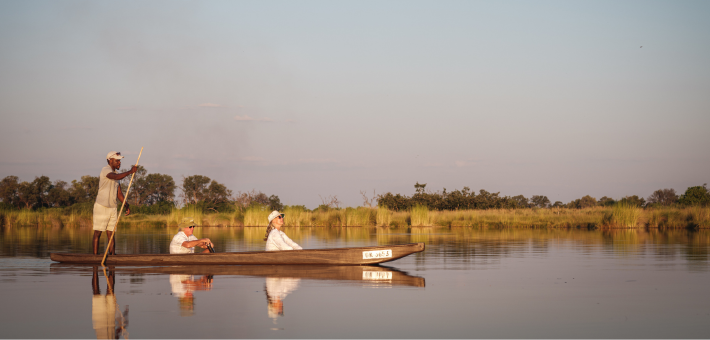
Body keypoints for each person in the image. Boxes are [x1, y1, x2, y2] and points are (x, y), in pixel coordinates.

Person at [93, 151, 137, 255]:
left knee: (111, 234)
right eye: (117, 161)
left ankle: (112, 256)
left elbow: (119, 193)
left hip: (112, 207)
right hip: (101, 206)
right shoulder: (106, 170)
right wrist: (130, 172)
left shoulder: (118, 175)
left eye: (120, 161)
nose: (119, 163)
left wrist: (126, 205)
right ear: (110, 160)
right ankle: (94, 258)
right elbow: (114, 177)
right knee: (98, 233)